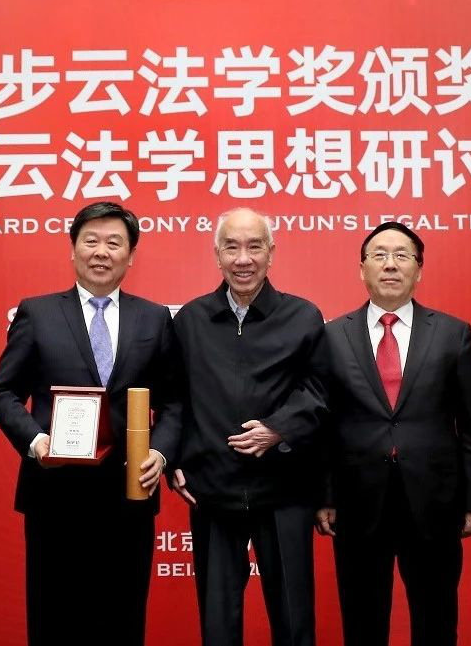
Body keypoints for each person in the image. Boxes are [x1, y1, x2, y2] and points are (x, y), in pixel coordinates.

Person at [0, 201, 180, 646]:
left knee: (122, 619)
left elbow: (174, 402)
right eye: (90, 241)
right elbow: (2, 393)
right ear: (72, 249)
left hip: (129, 494)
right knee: (55, 618)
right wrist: (36, 441)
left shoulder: (154, 318)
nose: (101, 252)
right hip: (55, 494)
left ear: (131, 255)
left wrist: (160, 451)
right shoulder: (37, 313)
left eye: (114, 243)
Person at [313, 221, 471, 646]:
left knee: (436, 620)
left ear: (419, 270)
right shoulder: (332, 336)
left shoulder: (452, 333)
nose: (390, 265)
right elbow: (323, 426)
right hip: (358, 501)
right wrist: (324, 495)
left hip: (435, 501)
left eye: (401, 255)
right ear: (361, 269)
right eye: (379, 255)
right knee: (362, 622)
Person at [167, 208, 325, 646]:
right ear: (216, 254)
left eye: (254, 247)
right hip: (213, 489)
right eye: (231, 247)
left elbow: (319, 390)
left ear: (271, 253)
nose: (243, 259)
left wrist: (277, 428)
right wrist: (172, 458)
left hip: (285, 489)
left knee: (294, 620)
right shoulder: (190, 321)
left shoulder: (303, 316)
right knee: (218, 623)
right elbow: (173, 398)